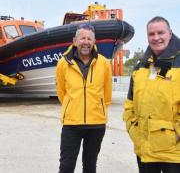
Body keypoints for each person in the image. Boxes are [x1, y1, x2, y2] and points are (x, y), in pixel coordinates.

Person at [123, 16, 180, 173]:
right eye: (151, 34)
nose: (156, 38)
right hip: (145, 148)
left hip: (174, 153)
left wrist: (176, 134)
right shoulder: (140, 67)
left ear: (170, 33)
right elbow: (129, 103)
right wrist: (133, 129)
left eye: (160, 33)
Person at [56, 23, 112, 173]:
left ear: (94, 42)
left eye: (89, 38)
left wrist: (98, 108)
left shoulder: (104, 64)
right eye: (82, 38)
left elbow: (107, 94)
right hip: (71, 124)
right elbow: (62, 92)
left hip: (96, 123)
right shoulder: (63, 64)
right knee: (66, 166)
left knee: (90, 165)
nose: (86, 42)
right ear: (75, 41)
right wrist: (71, 106)